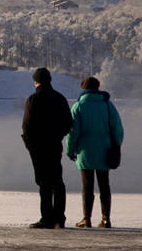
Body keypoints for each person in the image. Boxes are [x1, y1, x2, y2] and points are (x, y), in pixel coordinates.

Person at [66, 77, 124, 228]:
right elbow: (117, 128)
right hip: (105, 149)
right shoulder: (107, 105)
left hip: (85, 151)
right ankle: (106, 219)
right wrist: (116, 145)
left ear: (84, 88)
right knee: (104, 185)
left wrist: (70, 150)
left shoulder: (78, 106)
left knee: (87, 186)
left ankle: (86, 218)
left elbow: (73, 132)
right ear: (98, 87)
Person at [22, 67, 73, 229]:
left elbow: (27, 125)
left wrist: (29, 144)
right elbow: (68, 122)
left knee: (44, 182)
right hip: (54, 145)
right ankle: (59, 217)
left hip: (38, 147)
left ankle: (47, 218)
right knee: (57, 181)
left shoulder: (33, 100)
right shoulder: (59, 98)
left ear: (36, 82)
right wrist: (58, 136)